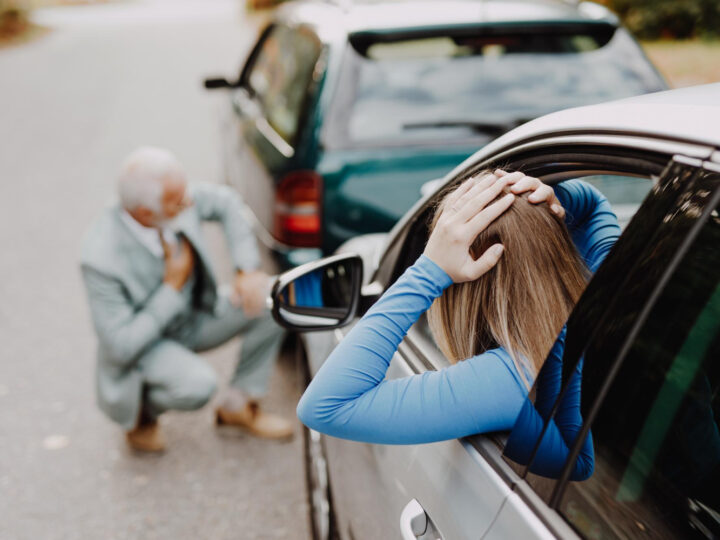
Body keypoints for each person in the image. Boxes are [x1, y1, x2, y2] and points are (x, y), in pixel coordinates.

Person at [296, 170, 620, 479]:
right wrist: (540, 203)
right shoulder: (611, 295)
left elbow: (326, 406)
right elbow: (593, 204)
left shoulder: (510, 378)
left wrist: (429, 271)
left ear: (461, 292)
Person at [80, 147, 293, 453]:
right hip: (148, 345)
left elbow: (227, 202)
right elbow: (120, 344)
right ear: (145, 214)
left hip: (197, 315)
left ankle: (238, 405)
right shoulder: (100, 258)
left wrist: (246, 269)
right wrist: (172, 285)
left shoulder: (173, 196)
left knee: (274, 299)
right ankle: (141, 414)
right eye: (179, 201)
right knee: (198, 385)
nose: (190, 202)